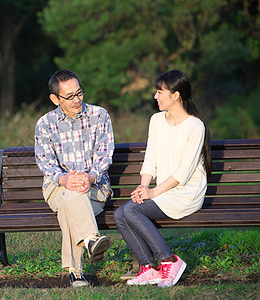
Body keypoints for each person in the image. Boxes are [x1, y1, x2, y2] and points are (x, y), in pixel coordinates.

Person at [114, 69, 212, 288]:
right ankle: (149, 269)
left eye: (160, 92)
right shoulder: (157, 120)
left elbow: (184, 173)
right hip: (164, 191)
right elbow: (151, 157)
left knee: (130, 210)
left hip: (186, 193)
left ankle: (168, 260)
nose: (155, 96)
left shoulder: (195, 126)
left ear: (176, 95)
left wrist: (153, 193)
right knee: (120, 214)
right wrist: (143, 187)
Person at [34, 70, 115, 288]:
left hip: (96, 187)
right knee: (71, 192)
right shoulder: (45, 124)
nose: (77, 99)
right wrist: (63, 179)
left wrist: (90, 176)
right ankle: (90, 240)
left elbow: (105, 153)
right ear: (55, 99)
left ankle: (76, 273)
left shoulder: (100, 115)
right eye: (69, 96)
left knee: (71, 200)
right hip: (57, 187)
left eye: (79, 93)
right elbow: (45, 161)